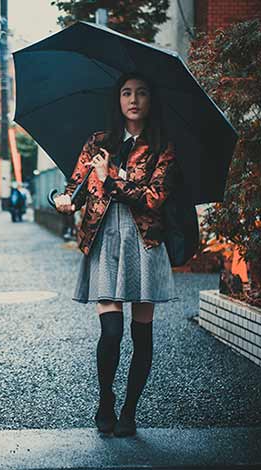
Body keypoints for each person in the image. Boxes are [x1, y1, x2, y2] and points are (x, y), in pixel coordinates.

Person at [53, 72, 180, 437]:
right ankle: (106, 400)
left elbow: (154, 198)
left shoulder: (162, 147)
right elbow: (76, 187)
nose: (133, 99)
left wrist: (111, 179)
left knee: (142, 334)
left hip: (144, 242)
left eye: (142, 92)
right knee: (111, 332)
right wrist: (63, 201)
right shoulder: (98, 142)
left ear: (151, 100)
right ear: (118, 99)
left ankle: (129, 411)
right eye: (127, 92)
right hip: (105, 238)